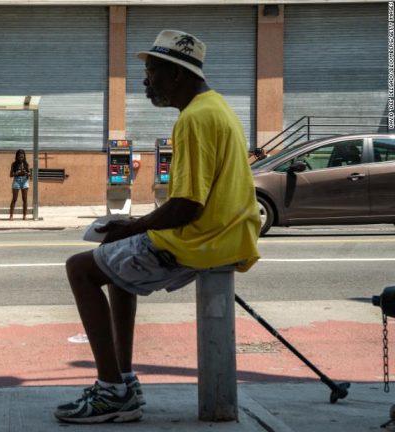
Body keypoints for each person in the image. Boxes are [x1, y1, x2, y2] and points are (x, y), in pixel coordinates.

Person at [54, 29, 261, 424]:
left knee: (80, 268)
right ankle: (124, 380)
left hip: (203, 240)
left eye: (151, 72)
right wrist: (132, 227)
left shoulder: (194, 121)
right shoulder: (216, 108)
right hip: (225, 233)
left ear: (177, 75)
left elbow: (186, 206)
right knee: (113, 268)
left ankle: (111, 391)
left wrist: (131, 227)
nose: (145, 81)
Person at [8, 149, 30, 220]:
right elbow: (10, 174)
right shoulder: (14, 164)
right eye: (20, 157)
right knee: (14, 199)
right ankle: (11, 216)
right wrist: (16, 173)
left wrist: (27, 173)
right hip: (17, 180)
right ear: (17, 156)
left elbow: (30, 174)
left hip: (24, 180)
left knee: (25, 199)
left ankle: (24, 216)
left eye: (22, 157)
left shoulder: (26, 164)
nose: (21, 158)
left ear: (24, 157)